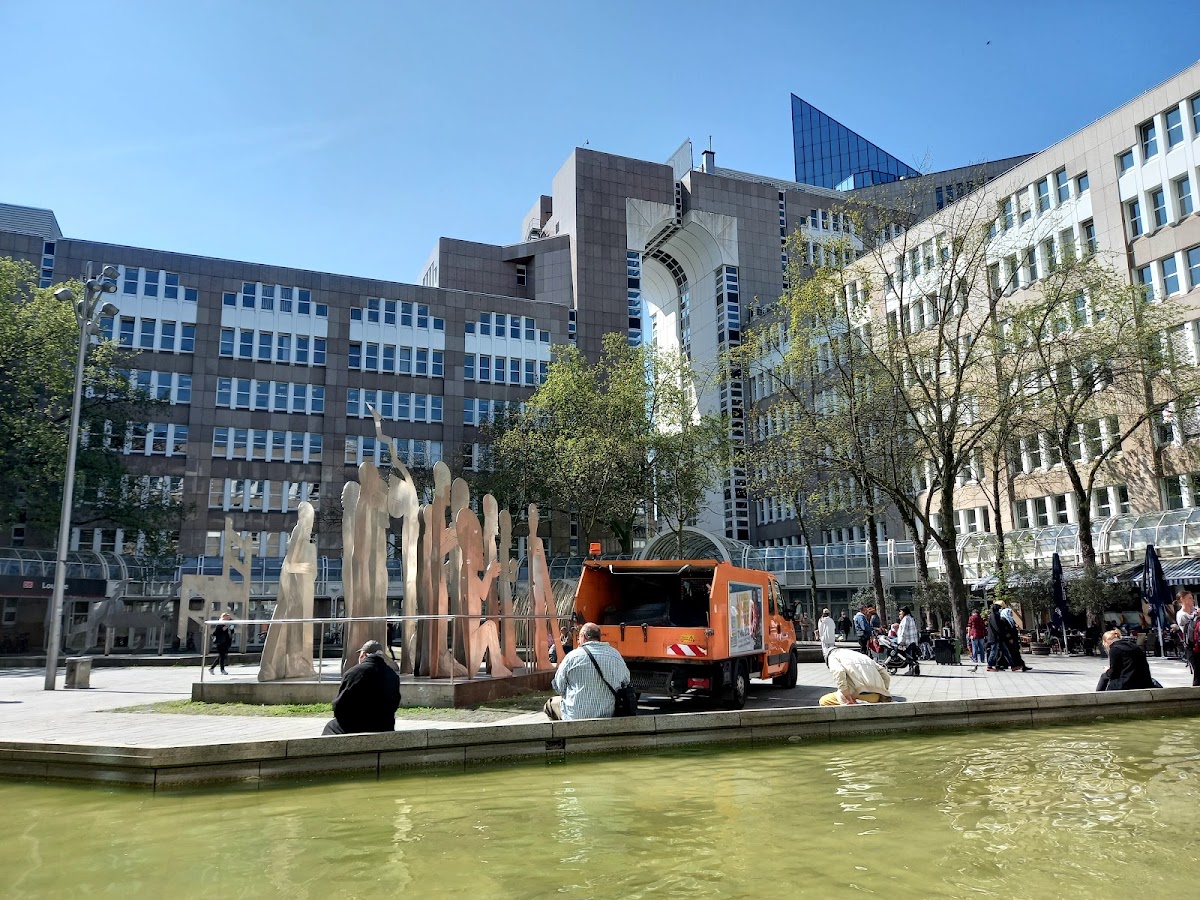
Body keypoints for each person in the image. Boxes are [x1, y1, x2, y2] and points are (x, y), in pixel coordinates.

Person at [544, 622, 632, 721]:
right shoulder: (615, 655)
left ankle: (563, 730)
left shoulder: (572, 656)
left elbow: (558, 686)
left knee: (550, 705)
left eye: (578, 637)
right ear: (599, 637)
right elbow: (626, 681)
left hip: (575, 716)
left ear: (583, 637)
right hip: (608, 715)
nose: (578, 641)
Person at [322, 640, 402, 735]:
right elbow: (395, 702)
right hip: (384, 725)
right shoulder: (393, 675)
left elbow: (340, 705)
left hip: (356, 726)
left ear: (363, 654)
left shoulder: (353, 673)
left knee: (330, 727)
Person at [819, 647, 893, 705]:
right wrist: (883, 692)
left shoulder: (832, 656)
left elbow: (839, 672)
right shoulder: (860, 656)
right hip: (875, 696)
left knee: (824, 701)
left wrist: (846, 694)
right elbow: (884, 673)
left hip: (856, 696)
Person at [895, 606, 920, 675]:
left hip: (908, 641)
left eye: (901, 611)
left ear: (904, 612)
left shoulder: (905, 619)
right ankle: (915, 670)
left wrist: (901, 642)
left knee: (909, 656)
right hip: (913, 641)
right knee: (913, 656)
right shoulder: (911, 618)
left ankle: (911, 670)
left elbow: (904, 631)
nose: (899, 613)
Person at [1176, 591, 1196, 674]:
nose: (1193, 600)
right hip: (1192, 646)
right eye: (1190, 598)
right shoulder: (1181, 615)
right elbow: (1192, 628)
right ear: (1183, 599)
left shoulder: (1194, 610)